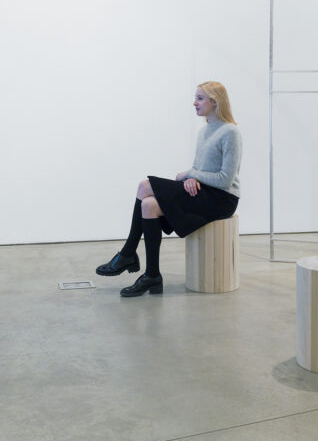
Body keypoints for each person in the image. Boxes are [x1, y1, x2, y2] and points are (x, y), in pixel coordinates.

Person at [96, 81, 242, 297]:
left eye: (200, 98)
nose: (195, 103)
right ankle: (152, 276)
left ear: (215, 101)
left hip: (222, 199)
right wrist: (192, 177)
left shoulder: (230, 132)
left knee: (144, 186)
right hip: (203, 191)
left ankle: (128, 253)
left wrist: (190, 175)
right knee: (148, 205)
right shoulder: (204, 132)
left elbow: (225, 180)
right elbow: (199, 169)